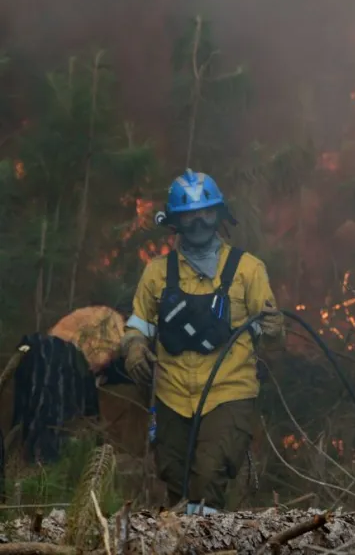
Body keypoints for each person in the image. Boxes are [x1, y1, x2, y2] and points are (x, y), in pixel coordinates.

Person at [119, 169, 283, 514]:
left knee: (208, 479)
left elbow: (273, 340)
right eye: (189, 215)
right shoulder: (157, 272)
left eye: (207, 212)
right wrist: (134, 348)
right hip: (171, 395)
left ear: (220, 215)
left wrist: (274, 329)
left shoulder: (248, 270)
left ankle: (207, 542)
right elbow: (137, 326)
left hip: (229, 392)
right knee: (176, 483)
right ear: (175, 221)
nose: (199, 222)